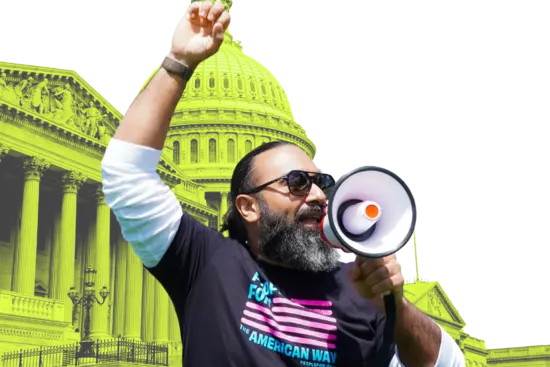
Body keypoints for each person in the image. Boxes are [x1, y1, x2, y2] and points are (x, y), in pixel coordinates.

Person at [101, 1, 466, 366]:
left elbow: (451, 364)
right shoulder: (209, 263)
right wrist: (179, 62)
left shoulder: (359, 290)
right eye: (296, 182)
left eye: (320, 181)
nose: (319, 196)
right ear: (246, 206)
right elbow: (125, 174)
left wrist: (395, 304)